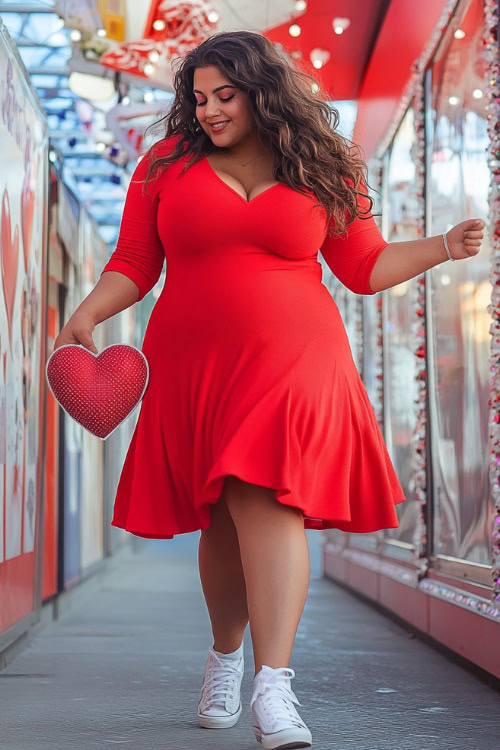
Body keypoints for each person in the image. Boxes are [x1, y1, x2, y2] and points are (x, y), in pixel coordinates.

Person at [53, 30, 485, 750]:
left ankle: (273, 685)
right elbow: (134, 259)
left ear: (263, 91)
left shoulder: (322, 163)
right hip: (194, 364)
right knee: (221, 516)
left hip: (298, 361)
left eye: (226, 96)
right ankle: (226, 659)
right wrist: (87, 314)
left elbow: (365, 268)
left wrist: (442, 247)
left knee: (266, 494)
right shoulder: (165, 163)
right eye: (199, 99)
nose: (212, 110)